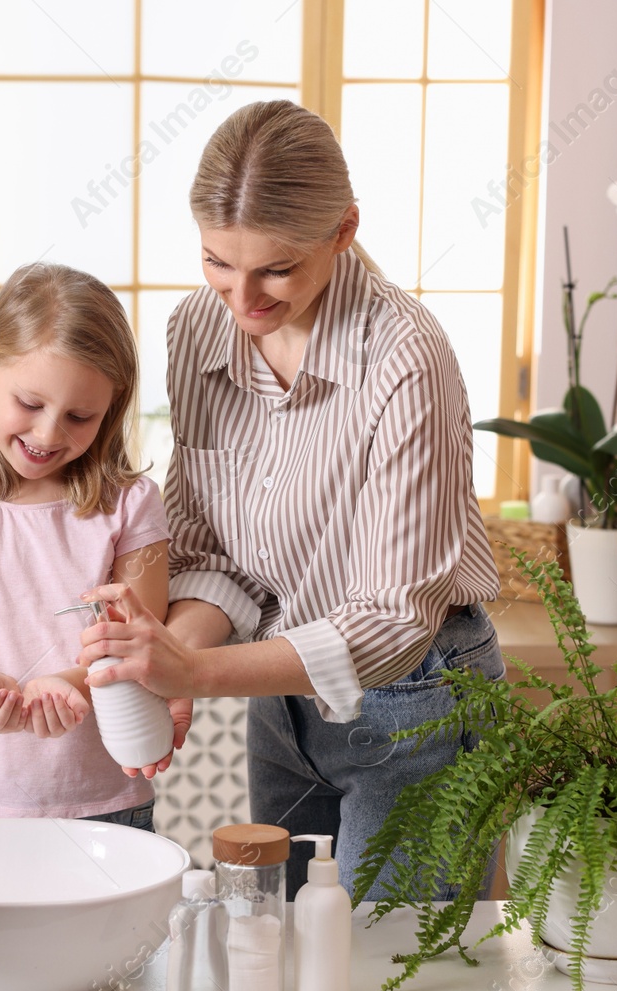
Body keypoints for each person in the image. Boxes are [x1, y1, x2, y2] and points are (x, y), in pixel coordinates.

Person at [75, 100, 506, 897]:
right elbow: (211, 552)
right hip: (281, 696)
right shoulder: (199, 329)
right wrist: (172, 660)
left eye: (275, 269)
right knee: (276, 935)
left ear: (342, 232)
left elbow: (394, 622)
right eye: (216, 261)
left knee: (398, 969)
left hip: (418, 696)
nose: (241, 299)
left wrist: (197, 670)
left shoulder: (407, 358)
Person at [0, 262, 173, 830]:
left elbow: (140, 649)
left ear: (111, 409)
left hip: (106, 807)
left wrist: (68, 687)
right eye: (30, 403)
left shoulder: (132, 506)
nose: (48, 434)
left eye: (79, 416)